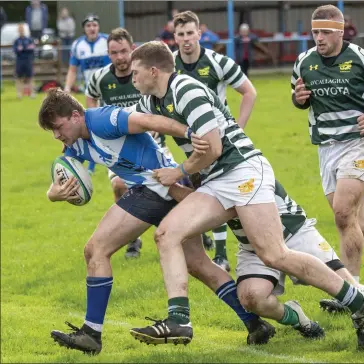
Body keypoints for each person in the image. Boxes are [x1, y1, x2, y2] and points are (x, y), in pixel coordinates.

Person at [127, 40, 364, 350]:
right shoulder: (152, 101)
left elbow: (215, 149)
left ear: (154, 71)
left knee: (273, 254)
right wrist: (83, 128)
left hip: (243, 169)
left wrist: (178, 171)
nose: (132, 77)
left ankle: (358, 300)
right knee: (167, 234)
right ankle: (178, 320)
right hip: (216, 180)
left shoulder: (186, 90)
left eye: (135, 71)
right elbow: (125, 121)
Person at [39, 89, 275, 354]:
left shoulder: (103, 119)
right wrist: (53, 194)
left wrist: (189, 133)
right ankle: (255, 323)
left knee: (96, 250)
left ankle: (91, 334)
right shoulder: (74, 141)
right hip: (165, 190)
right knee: (198, 264)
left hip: (154, 186)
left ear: (75, 115)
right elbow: (61, 174)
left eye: (58, 127)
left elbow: (148, 121)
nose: (57, 135)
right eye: (52, 132)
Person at [171, 174, 364, 336]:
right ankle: (297, 318)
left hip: (293, 232)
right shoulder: (205, 168)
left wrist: (170, 188)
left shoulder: (242, 163)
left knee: (349, 285)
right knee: (252, 297)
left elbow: (221, 208)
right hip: (253, 246)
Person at [291, 4, 364, 278]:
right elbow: (298, 100)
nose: (319, 38)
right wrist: (297, 99)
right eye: (315, 31)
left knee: (342, 215)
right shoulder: (304, 62)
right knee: (358, 224)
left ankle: (353, 292)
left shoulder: (363, 59)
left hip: (358, 143)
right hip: (326, 148)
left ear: (340, 32)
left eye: (325, 32)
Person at [173, 10, 258, 271]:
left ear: (200, 33)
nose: (186, 39)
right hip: (189, 146)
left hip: (219, 143)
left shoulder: (217, 61)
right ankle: (227, 252)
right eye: (181, 34)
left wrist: (237, 129)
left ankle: (225, 254)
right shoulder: (169, 65)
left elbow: (248, 92)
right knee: (212, 196)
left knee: (223, 196)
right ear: (174, 37)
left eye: (190, 33)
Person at [85, 27, 144, 259]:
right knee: (119, 185)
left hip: (151, 141)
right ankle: (132, 239)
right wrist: (95, 121)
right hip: (117, 147)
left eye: (123, 51)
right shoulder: (100, 77)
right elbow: (90, 95)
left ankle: (194, 234)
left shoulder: (143, 73)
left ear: (132, 49)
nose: (119, 57)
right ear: (108, 54)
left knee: (168, 190)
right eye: (113, 52)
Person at [65, 13, 110, 175]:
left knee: (107, 127)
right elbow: (72, 69)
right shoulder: (78, 45)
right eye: (89, 26)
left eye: (95, 25)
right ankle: (92, 165)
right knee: (90, 127)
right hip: (90, 93)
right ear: (84, 29)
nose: (92, 28)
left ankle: (113, 160)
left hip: (107, 90)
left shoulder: (107, 41)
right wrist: (67, 88)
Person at [13, 23, 35, 99]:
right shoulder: (16, 41)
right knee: (18, 77)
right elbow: (16, 50)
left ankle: (32, 93)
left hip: (28, 60)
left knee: (30, 77)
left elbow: (31, 48)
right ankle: (19, 94)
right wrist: (24, 49)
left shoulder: (29, 39)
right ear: (18, 31)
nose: (21, 31)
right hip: (19, 60)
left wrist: (23, 49)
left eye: (22, 29)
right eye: (20, 29)